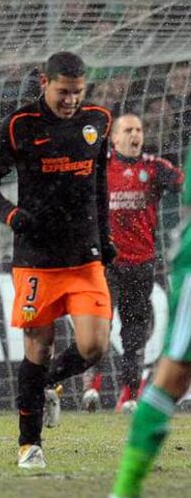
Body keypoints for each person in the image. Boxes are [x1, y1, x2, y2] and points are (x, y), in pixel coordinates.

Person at [0, 51, 115, 468]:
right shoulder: (20, 125)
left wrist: (105, 237)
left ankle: (52, 383)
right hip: (36, 258)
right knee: (38, 347)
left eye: (78, 93)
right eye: (63, 92)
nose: (71, 100)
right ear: (44, 82)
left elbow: (101, 183)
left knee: (94, 347)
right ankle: (29, 444)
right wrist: (12, 215)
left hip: (84, 255)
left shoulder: (98, 121)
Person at [82, 114, 184, 413]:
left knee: (134, 332)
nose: (135, 134)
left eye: (139, 129)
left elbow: (183, 183)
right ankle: (91, 388)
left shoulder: (154, 167)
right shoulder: (101, 168)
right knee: (100, 326)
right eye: (128, 130)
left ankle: (129, 396)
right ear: (114, 138)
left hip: (141, 264)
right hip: (106, 263)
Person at [110, 144, 191, 498]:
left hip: (145, 260)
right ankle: (125, 490)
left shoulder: (156, 167)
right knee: (173, 375)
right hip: (128, 261)